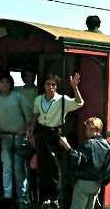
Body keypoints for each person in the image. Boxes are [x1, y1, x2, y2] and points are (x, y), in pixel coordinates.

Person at [59, 116, 110, 209]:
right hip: (97, 185)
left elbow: (77, 159)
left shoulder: (89, 144)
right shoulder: (106, 144)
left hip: (83, 184)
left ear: (95, 129)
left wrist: (67, 146)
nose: (86, 132)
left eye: (88, 129)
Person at [27, 73, 84, 202]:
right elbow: (35, 115)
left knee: (55, 165)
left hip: (55, 134)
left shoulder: (62, 99)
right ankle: (43, 198)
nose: (50, 87)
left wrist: (75, 88)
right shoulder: (38, 99)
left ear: (56, 86)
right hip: (41, 133)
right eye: (48, 84)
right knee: (42, 165)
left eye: (53, 84)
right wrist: (30, 130)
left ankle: (54, 198)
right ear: (44, 85)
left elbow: (79, 103)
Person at [0, 73, 32, 202]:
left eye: (7, 82)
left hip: (19, 137)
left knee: (18, 168)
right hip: (5, 137)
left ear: (10, 84)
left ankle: (22, 198)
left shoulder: (18, 97)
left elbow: (29, 115)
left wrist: (25, 130)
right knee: (7, 167)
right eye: (1, 82)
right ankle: (7, 197)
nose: (4, 84)